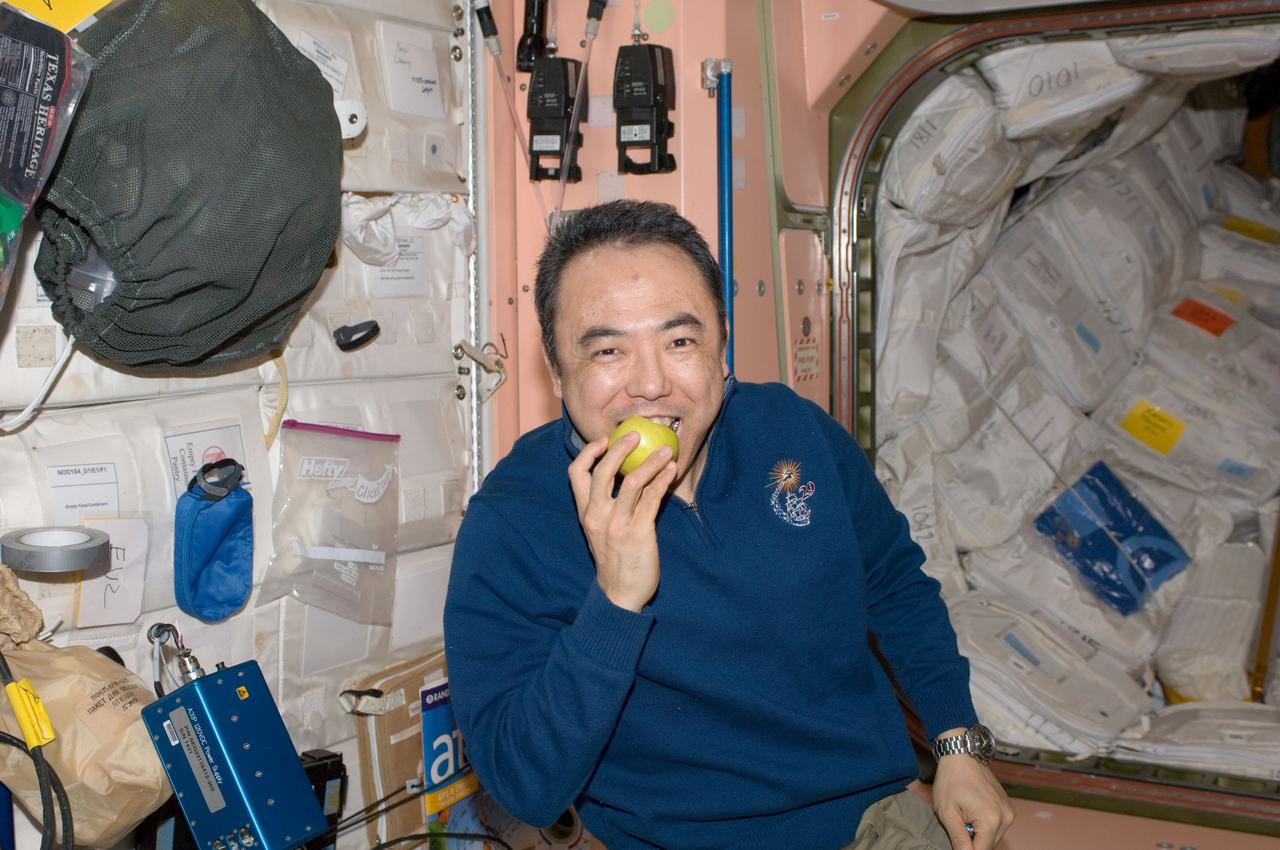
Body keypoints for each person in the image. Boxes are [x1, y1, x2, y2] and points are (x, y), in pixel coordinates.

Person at [444, 200, 1014, 850]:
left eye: (680, 341)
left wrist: (959, 744)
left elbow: (895, 584)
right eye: (608, 350)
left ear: (722, 351)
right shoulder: (511, 523)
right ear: (556, 371)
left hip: (867, 823)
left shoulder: (795, 432)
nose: (651, 384)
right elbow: (524, 787)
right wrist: (616, 601)